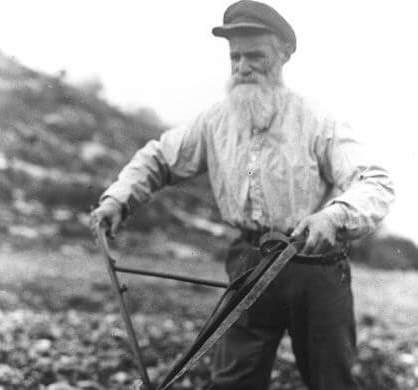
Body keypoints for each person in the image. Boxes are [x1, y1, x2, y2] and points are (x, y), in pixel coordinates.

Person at [90, 1, 395, 389]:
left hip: (314, 267)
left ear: (284, 55)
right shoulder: (215, 121)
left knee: (331, 380)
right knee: (233, 380)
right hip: (249, 263)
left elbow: (376, 181)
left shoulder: (318, 120)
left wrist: (333, 217)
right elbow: (159, 158)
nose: (242, 67)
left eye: (255, 56)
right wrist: (119, 199)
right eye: (235, 57)